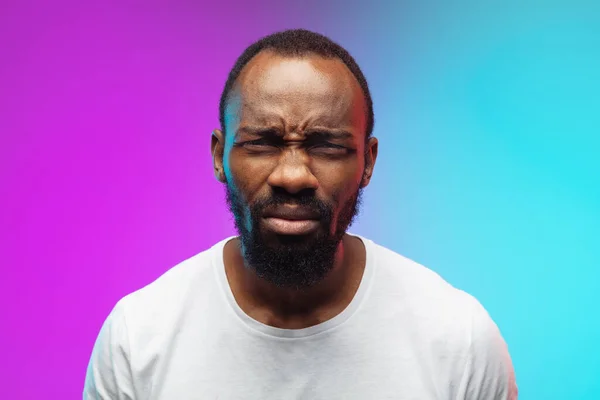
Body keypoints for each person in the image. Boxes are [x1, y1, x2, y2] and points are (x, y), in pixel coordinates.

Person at [84, 29, 518, 399]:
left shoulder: (458, 339)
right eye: (263, 142)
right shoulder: (138, 338)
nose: (292, 176)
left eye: (326, 146)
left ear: (367, 162)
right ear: (220, 156)